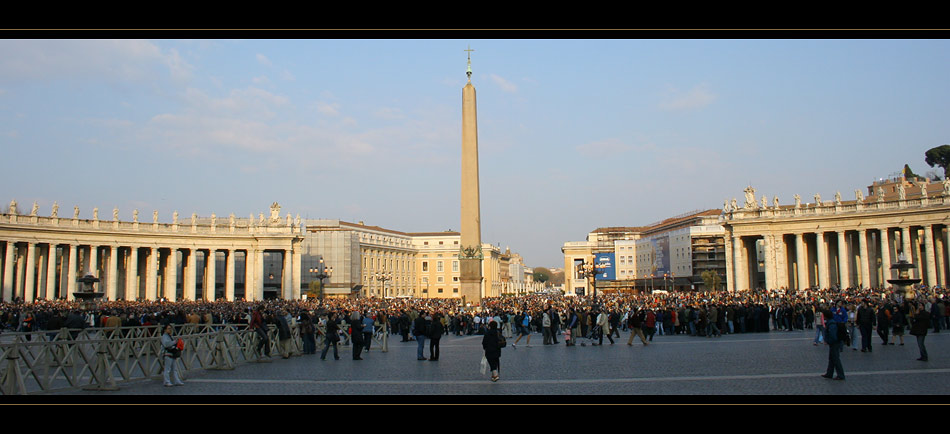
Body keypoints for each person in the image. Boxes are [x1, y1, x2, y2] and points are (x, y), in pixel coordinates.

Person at [821, 305, 845, 381]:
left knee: (835, 359)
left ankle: (840, 375)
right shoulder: (831, 322)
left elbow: (833, 335)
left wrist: (829, 341)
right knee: (831, 359)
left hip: (834, 343)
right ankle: (829, 373)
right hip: (834, 343)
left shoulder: (831, 324)